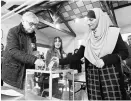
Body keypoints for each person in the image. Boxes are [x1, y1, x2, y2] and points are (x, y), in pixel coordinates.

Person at [51, 8, 129, 100]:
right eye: (87, 20)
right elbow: (77, 55)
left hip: (110, 76)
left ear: (99, 18)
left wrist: (105, 60)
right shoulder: (88, 36)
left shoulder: (113, 33)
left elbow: (124, 53)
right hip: (93, 77)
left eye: (91, 20)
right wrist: (60, 61)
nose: (88, 23)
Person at [1, 12, 45, 89]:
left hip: (27, 75)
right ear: (23, 21)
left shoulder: (32, 36)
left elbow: (33, 50)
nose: (34, 27)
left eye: (35, 24)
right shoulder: (13, 32)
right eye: (31, 24)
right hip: (13, 75)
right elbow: (14, 51)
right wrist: (34, 60)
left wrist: (36, 55)